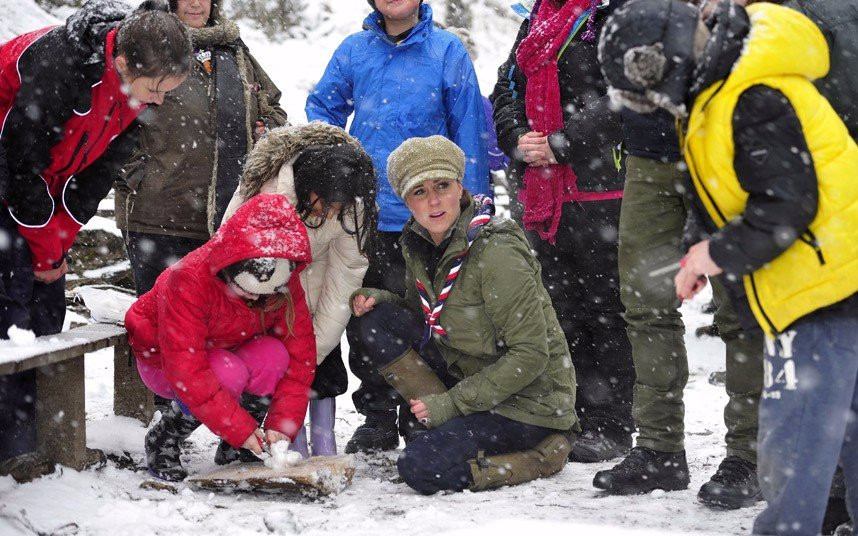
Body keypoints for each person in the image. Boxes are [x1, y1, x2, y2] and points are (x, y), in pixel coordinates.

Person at [599, 1, 858, 533]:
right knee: (845, 434)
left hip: (819, 291)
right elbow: (727, 195)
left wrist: (714, 253)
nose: (653, 106)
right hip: (827, 281)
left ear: (665, 58)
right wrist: (702, 250)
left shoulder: (749, 94)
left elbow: (787, 206)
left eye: (649, 90)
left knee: (795, 446)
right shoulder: (721, 87)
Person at [589, 0, 765, 509]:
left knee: (741, 308)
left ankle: (748, 456)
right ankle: (661, 450)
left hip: (727, 146)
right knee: (645, 304)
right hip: (649, 156)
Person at [0, 0, 191, 462]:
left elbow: (94, 176)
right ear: (123, 62)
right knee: (11, 312)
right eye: (156, 88)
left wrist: (59, 242)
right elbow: (18, 167)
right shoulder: (59, 67)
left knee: (48, 314)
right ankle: (11, 449)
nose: (160, 99)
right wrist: (44, 248)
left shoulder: (133, 88)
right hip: (9, 177)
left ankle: (41, 438)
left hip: (38, 184)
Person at [305, 0, 490, 453]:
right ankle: (377, 416)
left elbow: (469, 132)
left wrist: (475, 203)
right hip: (368, 216)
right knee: (367, 316)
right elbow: (322, 110)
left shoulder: (447, 52)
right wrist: (335, 172)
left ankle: (424, 410)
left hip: (430, 218)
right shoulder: (354, 51)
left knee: (429, 318)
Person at [349, 135, 578, 493]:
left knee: (421, 466)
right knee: (377, 320)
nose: (434, 201)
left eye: (442, 185)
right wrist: (377, 298)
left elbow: (530, 355)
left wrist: (450, 405)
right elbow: (425, 312)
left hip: (526, 403)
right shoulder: (420, 240)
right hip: (470, 377)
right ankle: (433, 421)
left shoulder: (496, 249)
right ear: (405, 201)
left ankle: (543, 453)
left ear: (460, 186)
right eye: (419, 192)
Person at [491, 0, 634, 463]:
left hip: (601, 188)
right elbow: (505, 88)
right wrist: (518, 139)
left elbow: (625, 95)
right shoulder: (538, 20)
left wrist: (562, 143)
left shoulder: (610, 16)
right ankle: (573, 415)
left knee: (607, 312)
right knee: (562, 309)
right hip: (544, 193)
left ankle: (612, 423)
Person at [125, 194, 316, 481]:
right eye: (247, 291)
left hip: (229, 347)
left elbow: (300, 356)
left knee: (274, 355)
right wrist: (237, 426)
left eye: (266, 294)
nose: (256, 299)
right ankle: (164, 439)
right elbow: (186, 368)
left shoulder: (283, 280)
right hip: (165, 361)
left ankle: (238, 446)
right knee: (228, 371)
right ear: (232, 267)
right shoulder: (188, 279)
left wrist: (280, 424)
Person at [220, 122, 377, 459]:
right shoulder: (270, 194)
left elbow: (347, 270)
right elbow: (231, 255)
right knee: (271, 364)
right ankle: (282, 443)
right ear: (310, 185)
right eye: (326, 204)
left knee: (323, 370)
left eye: (340, 207)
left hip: (318, 294)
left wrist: (315, 349)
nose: (332, 212)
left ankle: (324, 442)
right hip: (266, 296)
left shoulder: (349, 199)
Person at [115, 0, 287, 298]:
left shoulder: (231, 48)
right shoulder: (145, 43)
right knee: (158, 321)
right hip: (156, 215)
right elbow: (112, 113)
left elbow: (273, 107)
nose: (196, 3)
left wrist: (265, 127)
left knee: (210, 326)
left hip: (220, 217)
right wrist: (133, 174)